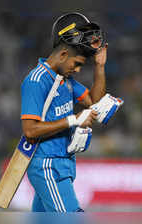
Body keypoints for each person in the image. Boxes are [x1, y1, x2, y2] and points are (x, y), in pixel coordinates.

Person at [21, 12, 107, 212]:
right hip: (47, 166)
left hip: (64, 164)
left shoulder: (65, 80)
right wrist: (74, 120)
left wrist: (100, 67)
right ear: (62, 55)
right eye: (76, 64)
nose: (77, 70)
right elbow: (30, 131)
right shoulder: (36, 80)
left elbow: (93, 102)